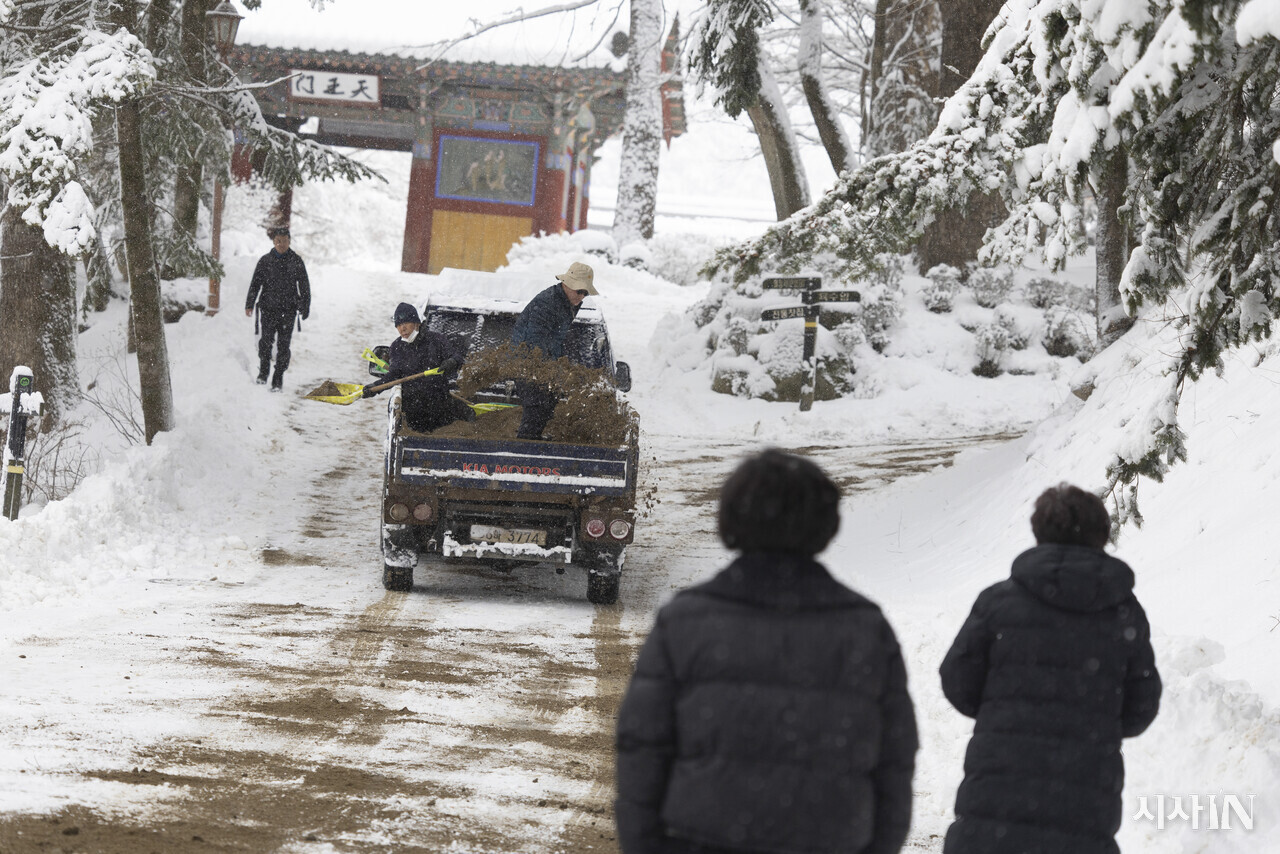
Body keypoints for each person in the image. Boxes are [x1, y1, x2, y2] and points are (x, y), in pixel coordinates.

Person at [615, 449, 918, 854]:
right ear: (826, 524)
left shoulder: (685, 622)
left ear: (730, 519)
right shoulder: (865, 628)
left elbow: (643, 750)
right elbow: (894, 764)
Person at [939, 483, 1162, 854]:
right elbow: (1141, 707)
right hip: (1084, 802)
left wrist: (1004, 712)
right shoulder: (1124, 612)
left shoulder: (998, 602)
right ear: (1101, 535)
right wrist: (1091, 725)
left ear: (1038, 531)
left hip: (995, 799)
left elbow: (957, 679)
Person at [510, 261, 598, 440]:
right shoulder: (547, 303)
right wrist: (548, 368)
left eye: (585, 293)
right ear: (566, 283)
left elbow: (556, 338)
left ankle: (534, 441)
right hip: (526, 361)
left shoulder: (569, 302)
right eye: (578, 290)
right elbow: (535, 340)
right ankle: (525, 448)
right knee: (537, 404)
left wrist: (560, 365)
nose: (581, 296)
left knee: (550, 402)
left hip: (545, 360)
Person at [363, 302, 465, 433]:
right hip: (414, 412)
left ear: (416, 322)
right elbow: (393, 375)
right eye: (398, 325)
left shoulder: (436, 340)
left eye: (405, 323)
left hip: (440, 406)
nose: (402, 329)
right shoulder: (397, 347)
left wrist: (451, 362)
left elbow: (457, 357)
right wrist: (374, 388)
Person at [245, 225, 310, 392]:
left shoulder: (296, 261)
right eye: (278, 241)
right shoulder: (265, 261)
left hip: (288, 311)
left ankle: (278, 377)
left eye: (285, 241)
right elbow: (255, 284)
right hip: (268, 309)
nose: (281, 244)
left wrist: (305, 306)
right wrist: (249, 304)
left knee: (283, 345)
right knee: (265, 342)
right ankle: (263, 372)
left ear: (289, 242)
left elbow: (304, 286)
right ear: (274, 242)